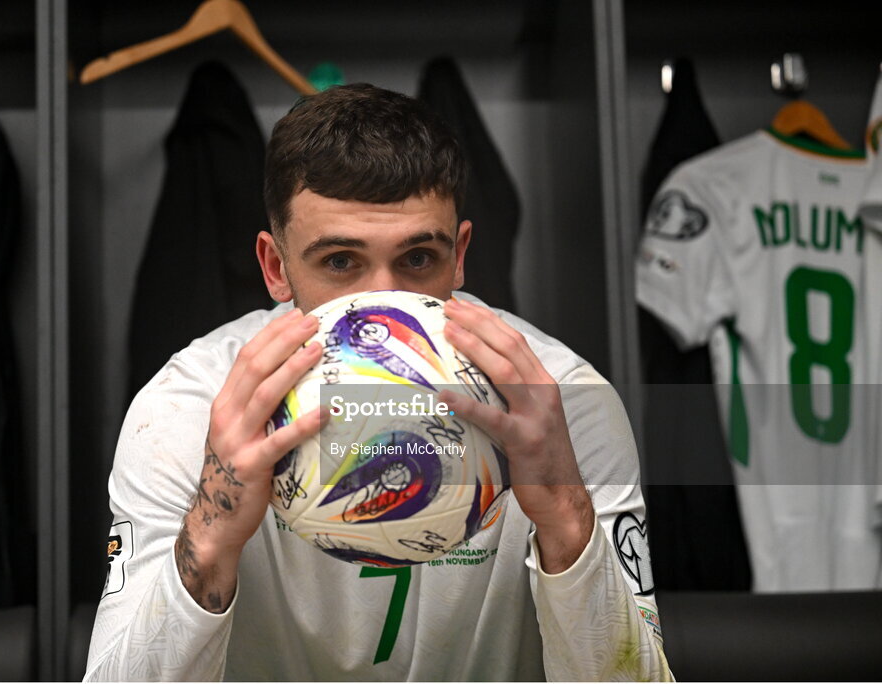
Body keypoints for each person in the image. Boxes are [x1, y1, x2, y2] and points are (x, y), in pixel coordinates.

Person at [84, 83, 672, 681]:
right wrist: (212, 532)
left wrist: (566, 518)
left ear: (460, 256)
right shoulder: (187, 406)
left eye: (418, 259)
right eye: (340, 262)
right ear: (275, 267)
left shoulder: (563, 399)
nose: (383, 310)